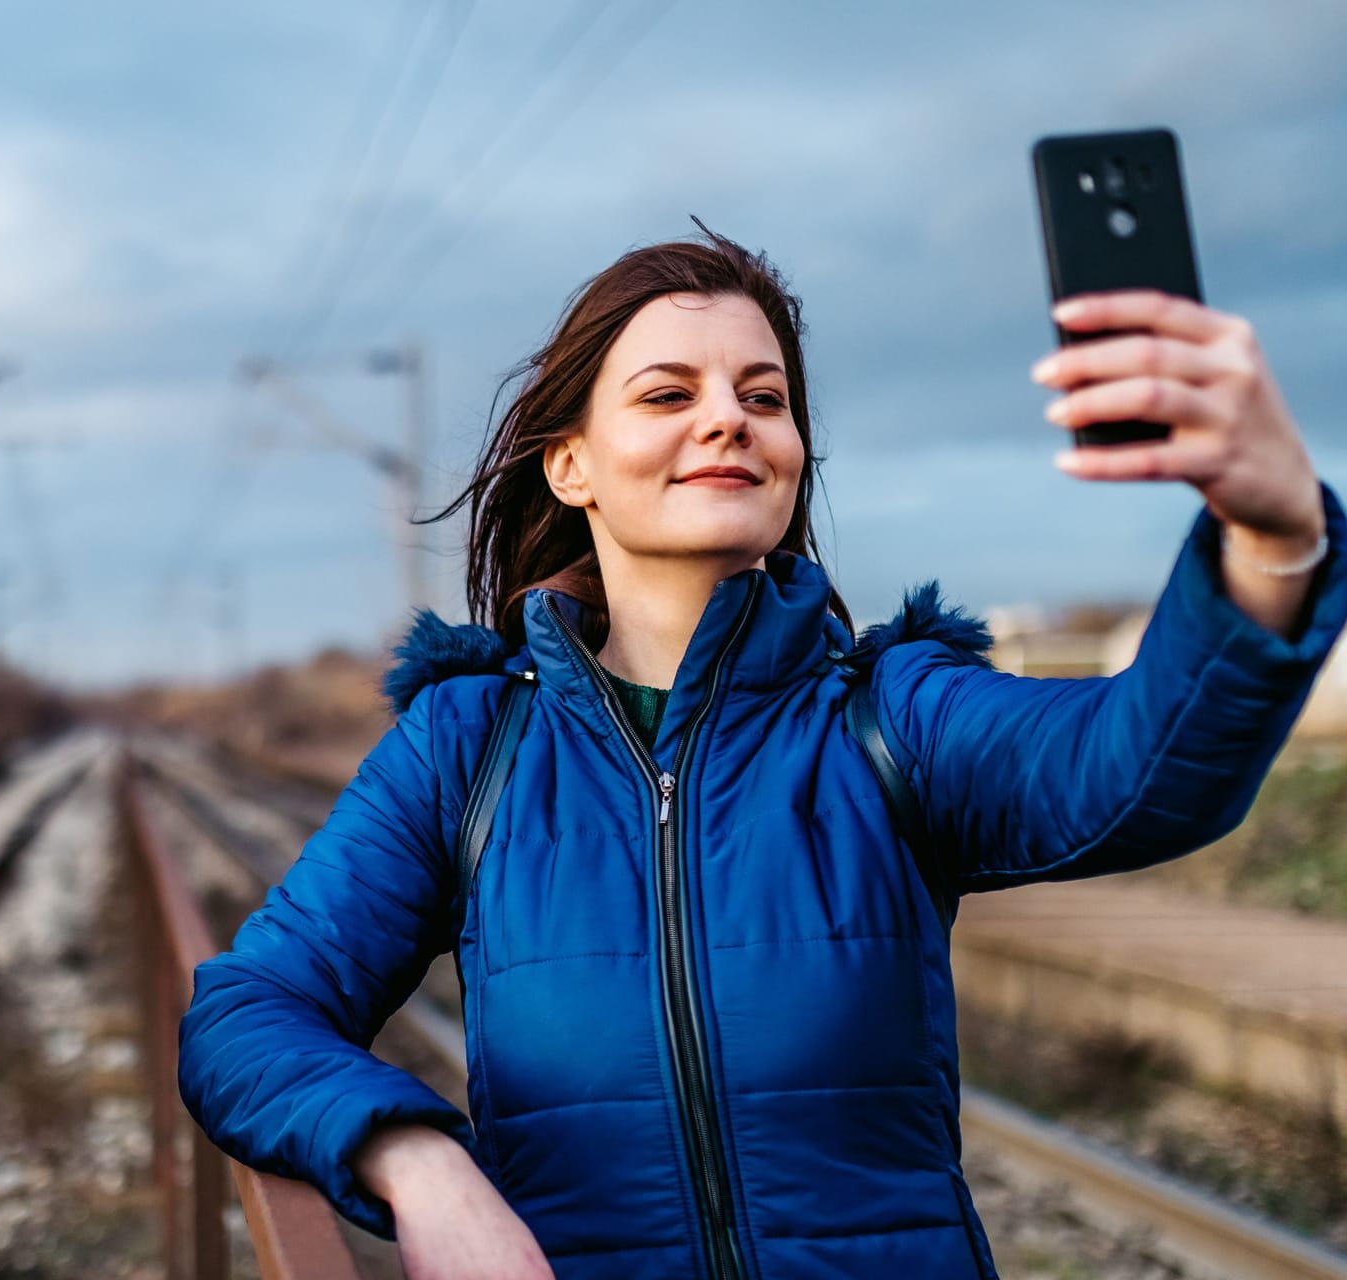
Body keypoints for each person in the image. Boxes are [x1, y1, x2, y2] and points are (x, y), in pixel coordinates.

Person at [177, 227, 1347, 1279]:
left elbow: (1140, 763)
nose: (729, 417)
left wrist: (1275, 528)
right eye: (667, 393)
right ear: (571, 465)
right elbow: (248, 1010)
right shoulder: (467, 748)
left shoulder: (891, 718)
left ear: (793, 460)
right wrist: (420, 1160)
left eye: (766, 395)